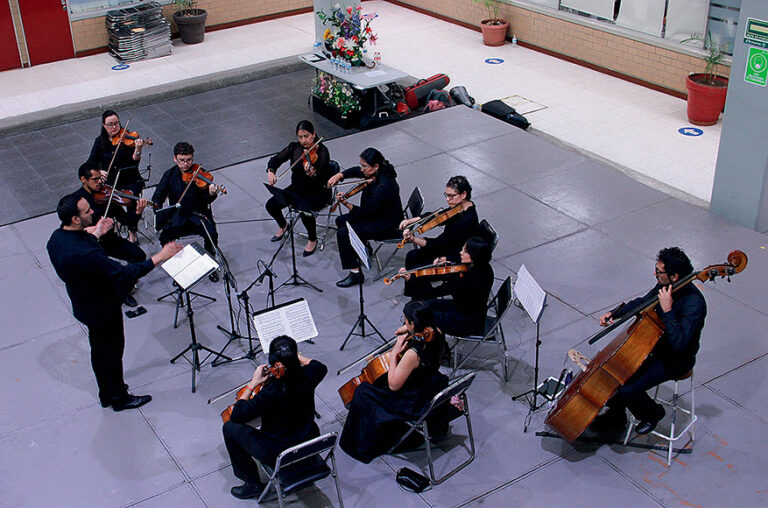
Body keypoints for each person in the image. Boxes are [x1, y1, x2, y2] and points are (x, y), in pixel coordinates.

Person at [47, 194, 182, 411]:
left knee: (98, 351)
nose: (93, 212)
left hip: (83, 304)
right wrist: (160, 256)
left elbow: (80, 250)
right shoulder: (86, 253)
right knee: (112, 351)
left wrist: (98, 232)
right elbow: (124, 273)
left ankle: (106, 393)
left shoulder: (56, 239)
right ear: (74, 219)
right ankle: (119, 397)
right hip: (103, 308)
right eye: (87, 211)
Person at [590, 247, 707, 436]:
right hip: (653, 347)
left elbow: (680, 344)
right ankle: (617, 416)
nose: (655, 273)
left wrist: (668, 310)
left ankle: (653, 413)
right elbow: (643, 302)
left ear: (675, 276)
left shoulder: (694, 304)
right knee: (613, 372)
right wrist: (615, 313)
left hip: (675, 359)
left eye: (659, 271)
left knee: (627, 390)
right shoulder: (664, 286)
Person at [340, 300, 449, 463]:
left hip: (412, 399)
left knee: (363, 391)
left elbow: (394, 385)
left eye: (405, 320)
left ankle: (359, 445)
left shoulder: (413, 354)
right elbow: (418, 330)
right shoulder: (436, 331)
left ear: (414, 323)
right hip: (429, 384)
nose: (404, 323)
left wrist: (395, 353)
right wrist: (407, 329)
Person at [222, 336, 327, 500]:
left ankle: (253, 485)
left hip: (278, 452)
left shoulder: (270, 392)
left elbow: (237, 415)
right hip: (309, 442)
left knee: (229, 428)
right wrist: (293, 356)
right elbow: (319, 366)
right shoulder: (309, 375)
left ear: (273, 361)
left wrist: (253, 383)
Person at [72, 161, 149, 306]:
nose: (100, 183)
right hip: (89, 244)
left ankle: (125, 287)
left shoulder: (107, 196)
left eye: (100, 178)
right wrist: (87, 230)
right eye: (95, 180)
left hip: (108, 240)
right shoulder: (76, 201)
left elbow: (126, 220)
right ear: (84, 179)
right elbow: (68, 228)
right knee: (107, 270)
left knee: (138, 255)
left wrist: (138, 212)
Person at [326, 147, 402, 287]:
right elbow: (355, 170)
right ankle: (364, 247)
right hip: (377, 215)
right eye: (361, 165)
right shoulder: (378, 170)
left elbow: (365, 213)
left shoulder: (383, 186)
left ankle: (356, 274)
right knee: (340, 220)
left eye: (364, 166)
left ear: (376, 166)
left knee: (343, 233)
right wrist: (340, 175)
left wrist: (346, 203)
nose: (361, 169)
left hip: (385, 224)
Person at [151, 142, 223, 280]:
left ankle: (209, 264)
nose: (186, 164)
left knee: (212, 234)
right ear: (175, 159)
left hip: (199, 213)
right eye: (182, 160)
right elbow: (158, 195)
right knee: (165, 238)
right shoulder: (169, 175)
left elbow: (206, 200)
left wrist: (212, 193)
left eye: (189, 160)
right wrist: (156, 205)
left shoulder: (200, 174)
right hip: (179, 215)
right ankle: (179, 268)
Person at [399, 175, 479, 298]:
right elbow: (438, 216)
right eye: (446, 195)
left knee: (417, 271)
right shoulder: (460, 207)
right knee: (411, 256)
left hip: (454, 258)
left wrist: (415, 239)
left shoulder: (466, 222)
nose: (448, 199)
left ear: (463, 194)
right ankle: (412, 293)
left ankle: (422, 300)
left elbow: (439, 245)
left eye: (451, 196)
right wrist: (412, 221)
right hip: (447, 247)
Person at [399, 236, 494, 337]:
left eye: (465, 251)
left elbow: (433, 292)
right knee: (422, 306)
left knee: (419, 315)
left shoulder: (469, 279)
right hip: (466, 309)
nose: (461, 253)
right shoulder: (484, 267)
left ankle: (411, 341)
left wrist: (411, 279)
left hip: (467, 322)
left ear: (474, 255)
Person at [265, 120, 335, 257]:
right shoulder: (294, 148)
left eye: (307, 136)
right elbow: (276, 159)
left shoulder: (322, 151)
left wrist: (312, 172)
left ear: (314, 134)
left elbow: (322, 172)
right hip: (297, 188)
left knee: (304, 211)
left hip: (318, 191)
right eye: (300, 137)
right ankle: (283, 225)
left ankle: (312, 238)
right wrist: (271, 171)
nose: (304, 140)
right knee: (271, 205)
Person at [86, 110, 146, 242]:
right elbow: (91, 162)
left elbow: (134, 162)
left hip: (130, 179)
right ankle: (111, 223)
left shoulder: (127, 138)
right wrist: (100, 171)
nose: (114, 127)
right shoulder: (100, 142)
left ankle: (132, 230)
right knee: (101, 198)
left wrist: (138, 149)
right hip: (111, 180)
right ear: (104, 126)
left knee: (131, 199)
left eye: (116, 124)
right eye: (110, 124)